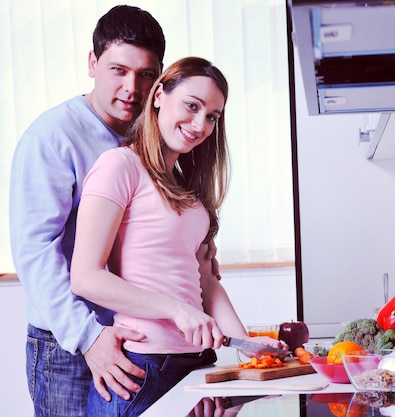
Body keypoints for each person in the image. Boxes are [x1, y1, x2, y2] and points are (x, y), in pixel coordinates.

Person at [70, 56, 287, 417]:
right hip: (142, 371)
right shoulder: (119, 165)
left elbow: (205, 281)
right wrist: (178, 311)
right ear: (158, 96)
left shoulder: (187, 191)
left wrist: (247, 344)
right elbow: (86, 277)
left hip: (196, 364)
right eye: (192, 106)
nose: (200, 124)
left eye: (212, 116)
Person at [9, 5, 167, 417]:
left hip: (138, 337)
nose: (132, 87)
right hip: (70, 345)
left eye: (145, 74)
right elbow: (35, 251)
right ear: (93, 63)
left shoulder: (152, 134)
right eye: (118, 70)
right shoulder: (51, 137)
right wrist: (89, 338)